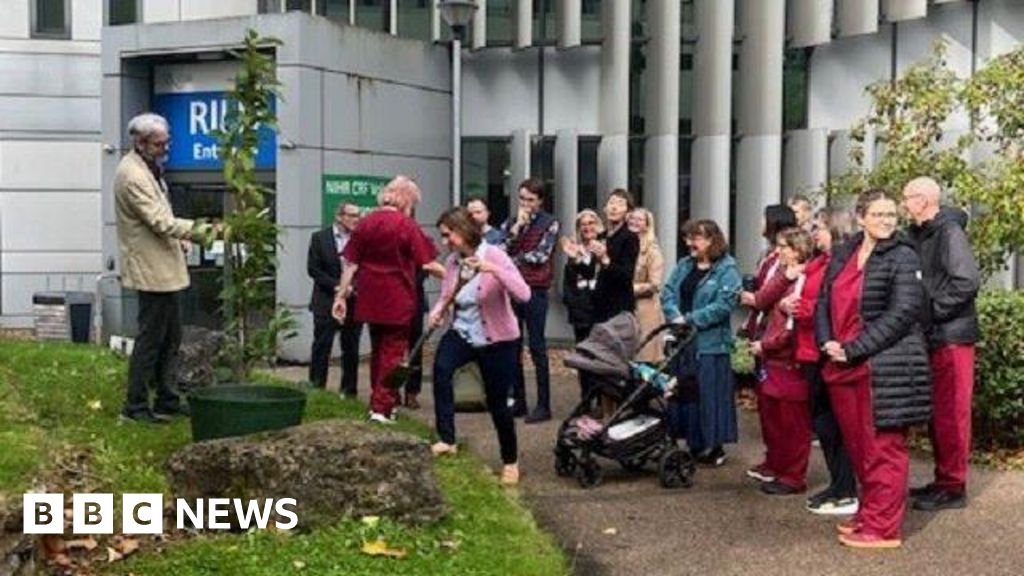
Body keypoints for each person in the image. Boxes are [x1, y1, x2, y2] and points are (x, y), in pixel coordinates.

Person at [815, 189, 930, 549]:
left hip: (883, 368)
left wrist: (853, 349)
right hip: (843, 364)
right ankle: (869, 513)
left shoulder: (902, 256)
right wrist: (826, 341)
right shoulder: (845, 252)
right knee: (860, 448)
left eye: (891, 215)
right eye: (878, 214)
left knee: (884, 449)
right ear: (861, 217)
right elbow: (823, 301)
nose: (885, 220)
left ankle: (883, 528)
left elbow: (902, 314)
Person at [428, 208, 530, 485]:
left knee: (498, 402)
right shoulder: (452, 262)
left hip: (498, 339)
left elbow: (523, 294)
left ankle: (510, 460)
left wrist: (494, 271)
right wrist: (438, 310)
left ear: (462, 231)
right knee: (441, 371)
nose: (445, 241)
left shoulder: (495, 255)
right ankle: (447, 438)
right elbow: (449, 294)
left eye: (448, 235)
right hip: (463, 332)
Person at [332, 176, 439, 424]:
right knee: (393, 352)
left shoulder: (365, 224)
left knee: (378, 350)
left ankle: (377, 402)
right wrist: (456, 275)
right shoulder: (406, 225)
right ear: (406, 199)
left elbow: (351, 264)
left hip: (369, 298)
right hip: (398, 298)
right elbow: (427, 262)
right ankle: (382, 406)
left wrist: (341, 297)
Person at [902, 177, 980, 512]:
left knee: (951, 413)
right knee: (939, 414)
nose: (903, 204)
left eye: (907, 198)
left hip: (951, 337)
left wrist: (931, 312)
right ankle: (944, 480)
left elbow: (966, 281)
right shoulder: (923, 234)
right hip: (937, 335)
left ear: (923, 200)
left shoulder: (949, 233)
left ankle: (952, 486)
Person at [115, 112, 199, 424]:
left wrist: (182, 240)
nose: (166, 148)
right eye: (159, 143)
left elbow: (163, 212)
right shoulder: (132, 175)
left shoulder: (148, 167)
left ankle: (166, 397)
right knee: (151, 339)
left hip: (163, 263)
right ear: (139, 142)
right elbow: (159, 220)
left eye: (166, 142)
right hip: (151, 269)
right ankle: (135, 406)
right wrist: (201, 230)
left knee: (170, 337)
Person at [781, 208, 859, 515]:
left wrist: (804, 308)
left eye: (820, 227)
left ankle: (846, 488)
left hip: (822, 350)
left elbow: (837, 305)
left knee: (833, 424)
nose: (814, 232)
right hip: (807, 348)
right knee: (824, 423)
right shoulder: (820, 261)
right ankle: (838, 484)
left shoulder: (840, 263)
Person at [661, 220, 742, 467]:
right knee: (684, 392)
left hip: (710, 345)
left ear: (711, 240)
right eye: (688, 238)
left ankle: (713, 444)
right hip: (682, 342)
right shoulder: (684, 265)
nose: (689, 244)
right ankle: (690, 441)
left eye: (695, 239)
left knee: (708, 394)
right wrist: (674, 316)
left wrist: (691, 319)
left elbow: (724, 305)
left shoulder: (727, 269)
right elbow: (668, 292)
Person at [750, 228, 815, 496]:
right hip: (772, 358)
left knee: (793, 422)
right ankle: (777, 466)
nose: (778, 252)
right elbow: (762, 300)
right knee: (772, 418)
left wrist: (765, 345)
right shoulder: (783, 273)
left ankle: (793, 475)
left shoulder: (804, 279)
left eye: (784, 247)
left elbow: (791, 326)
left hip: (788, 359)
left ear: (797, 249)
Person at [499, 179, 560, 423]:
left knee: (537, 347)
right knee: (512, 345)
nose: (525, 204)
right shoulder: (512, 222)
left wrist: (512, 260)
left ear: (540, 201)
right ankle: (519, 401)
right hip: (513, 289)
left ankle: (544, 405)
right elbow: (500, 248)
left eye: (531, 200)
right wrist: (516, 232)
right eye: (522, 198)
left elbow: (540, 255)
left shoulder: (550, 222)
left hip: (535, 289)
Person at [307, 203, 364, 395]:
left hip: (354, 300)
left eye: (358, 216)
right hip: (325, 299)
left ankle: (348, 390)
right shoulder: (320, 238)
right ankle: (317, 385)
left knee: (351, 347)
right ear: (339, 217)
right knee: (322, 345)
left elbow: (364, 268)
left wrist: (351, 287)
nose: (357, 220)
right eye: (352, 215)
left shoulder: (361, 239)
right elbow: (313, 269)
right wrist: (337, 287)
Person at [560, 209, 605, 399]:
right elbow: (568, 285)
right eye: (583, 224)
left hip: (600, 312)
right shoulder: (574, 251)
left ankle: (601, 401)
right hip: (580, 314)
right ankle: (586, 400)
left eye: (591, 223)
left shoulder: (604, 248)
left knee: (600, 359)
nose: (587, 228)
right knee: (583, 358)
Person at [591, 189, 640, 324]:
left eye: (620, 204)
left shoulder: (630, 238)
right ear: (604, 209)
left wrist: (606, 260)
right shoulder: (601, 236)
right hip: (599, 302)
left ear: (628, 213)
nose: (614, 207)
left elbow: (626, 275)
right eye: (611, 203)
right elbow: (591, 271)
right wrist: (577, 258)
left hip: (619, 305)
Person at [628, 208, 666, 363]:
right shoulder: (624, 245)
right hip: (625, 308)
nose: (634, 222)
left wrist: (627, 289)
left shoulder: (652, 250)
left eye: (639, 219)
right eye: (632, 218)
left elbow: (655, 284)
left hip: (645, 309)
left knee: (644, 356)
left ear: (647, 225)